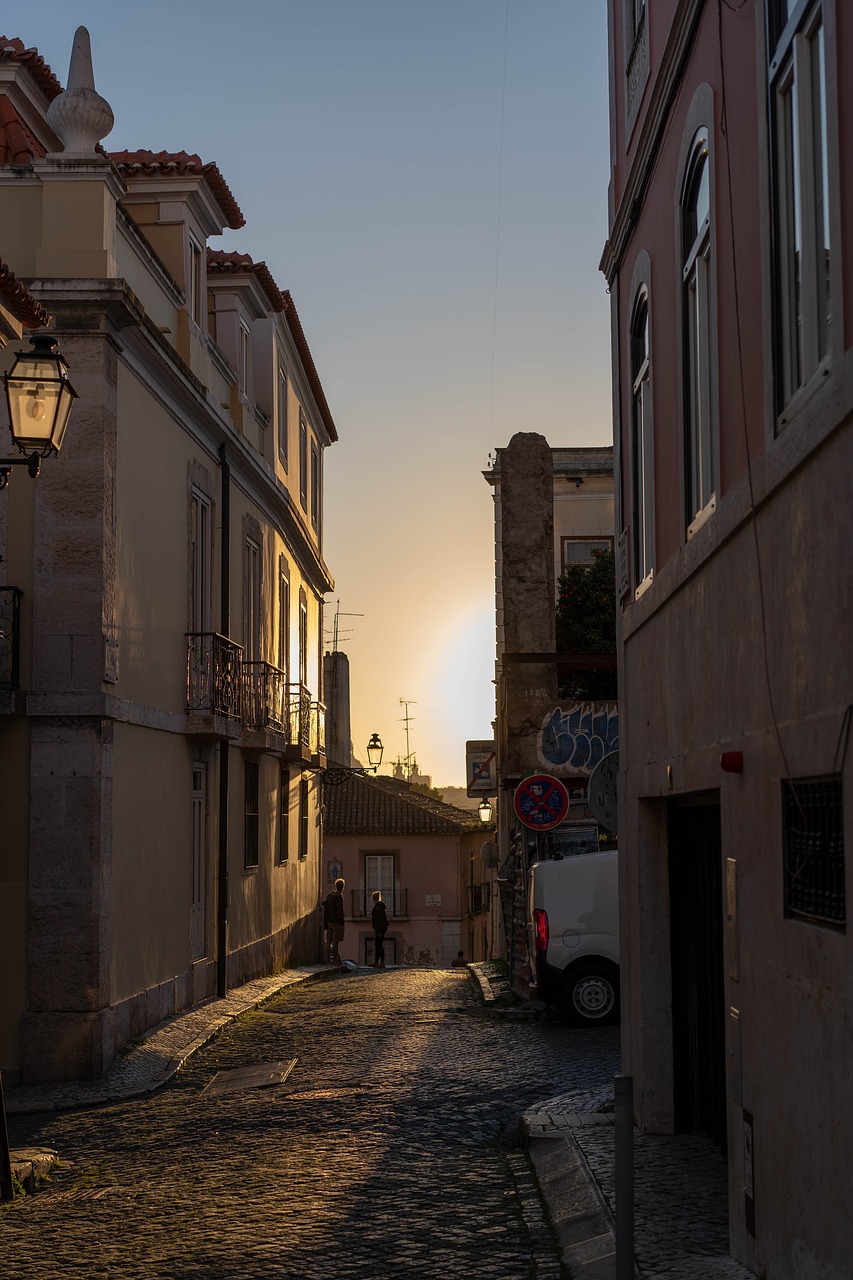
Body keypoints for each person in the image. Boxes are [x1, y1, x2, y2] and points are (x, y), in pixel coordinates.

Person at [323, 877, 346, 966]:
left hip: (330, 922)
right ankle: (335, 960)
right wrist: (341, 921)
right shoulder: (340, 897)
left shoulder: (329, 896)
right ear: (342, 887)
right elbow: (340, 910)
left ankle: (328, 960)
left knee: (328, 941)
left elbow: (326, 909)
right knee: (335, 942)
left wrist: (327, 921)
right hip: (337, 922)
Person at [370, 890, 388, 968]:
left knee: (379, 945)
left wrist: (379, 931)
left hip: (380, 929)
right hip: (380, 928)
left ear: (373, 899)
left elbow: (379, 921)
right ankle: (377, 961)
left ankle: (381, 962)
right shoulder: (380, 907)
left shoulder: (378, 908)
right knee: (377, 944)